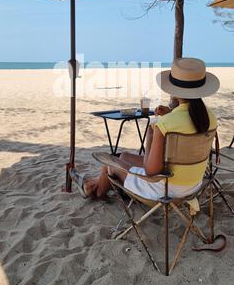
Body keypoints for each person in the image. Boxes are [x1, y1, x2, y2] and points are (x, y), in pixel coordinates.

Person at [70, 58, 219, 200]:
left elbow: (151, 171)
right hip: (193, 185)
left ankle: (93, 189)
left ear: (173, 88)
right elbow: (186, 126)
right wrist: (170, 115)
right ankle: (91, 185)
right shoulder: (209, 117)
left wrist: (151, 133)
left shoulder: (166, 124)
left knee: (110, 165)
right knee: (124, 157)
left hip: (165, 189)